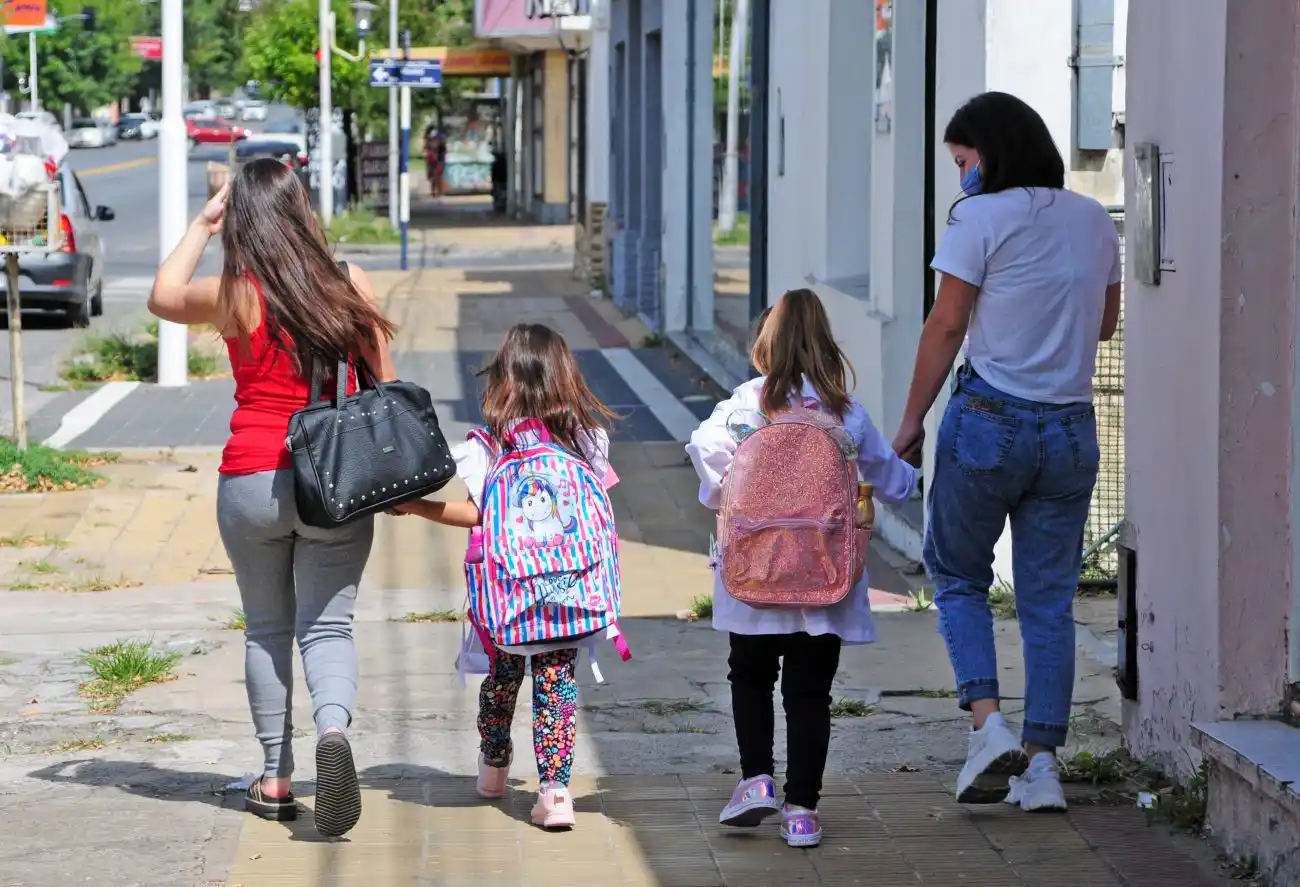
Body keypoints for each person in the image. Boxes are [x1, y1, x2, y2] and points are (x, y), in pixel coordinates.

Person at [148, 158, 397, 838]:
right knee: (328, 628)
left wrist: (203, 222)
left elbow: (162, 295)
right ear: (302, 210)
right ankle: (334, 729)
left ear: (244, 218)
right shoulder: (349, 284)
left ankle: (276, 775)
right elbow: (386, 387)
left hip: (251, 477)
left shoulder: (236, 292)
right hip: (334, 484)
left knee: (266, 628)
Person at [891, 91, 1121, 812]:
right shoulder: (1092, 218)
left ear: (987, 152)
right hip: (1070, 429)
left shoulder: (977, 218)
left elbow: (946, 323)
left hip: (990, 418)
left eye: (963, 160)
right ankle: (1043, 765)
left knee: (957, 573)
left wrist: (909, 422)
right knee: (1048, 600)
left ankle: (988, 727)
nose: (961, 173)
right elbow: (1107, 323)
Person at [686, 289, 917, 847]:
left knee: (750, 675)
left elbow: (702, 447)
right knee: (811, 693)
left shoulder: (745, 404)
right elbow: (895, 484)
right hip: (824, 574)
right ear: (825, 346)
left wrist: (729, 500)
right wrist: (906, 471)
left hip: (754, 572)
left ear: (765, 346)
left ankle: (757, 781)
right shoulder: (844, 412)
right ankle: (802, 812)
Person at [390, 322, 619, 830]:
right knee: (556, 685)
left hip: (506, 594)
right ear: (565, 377)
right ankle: (556, 795)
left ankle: (494, 769)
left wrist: (415, 505)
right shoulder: (589, 438)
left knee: (501, 680)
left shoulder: (488, 446)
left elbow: (476, 515)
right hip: (568, 594)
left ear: (504, 381)